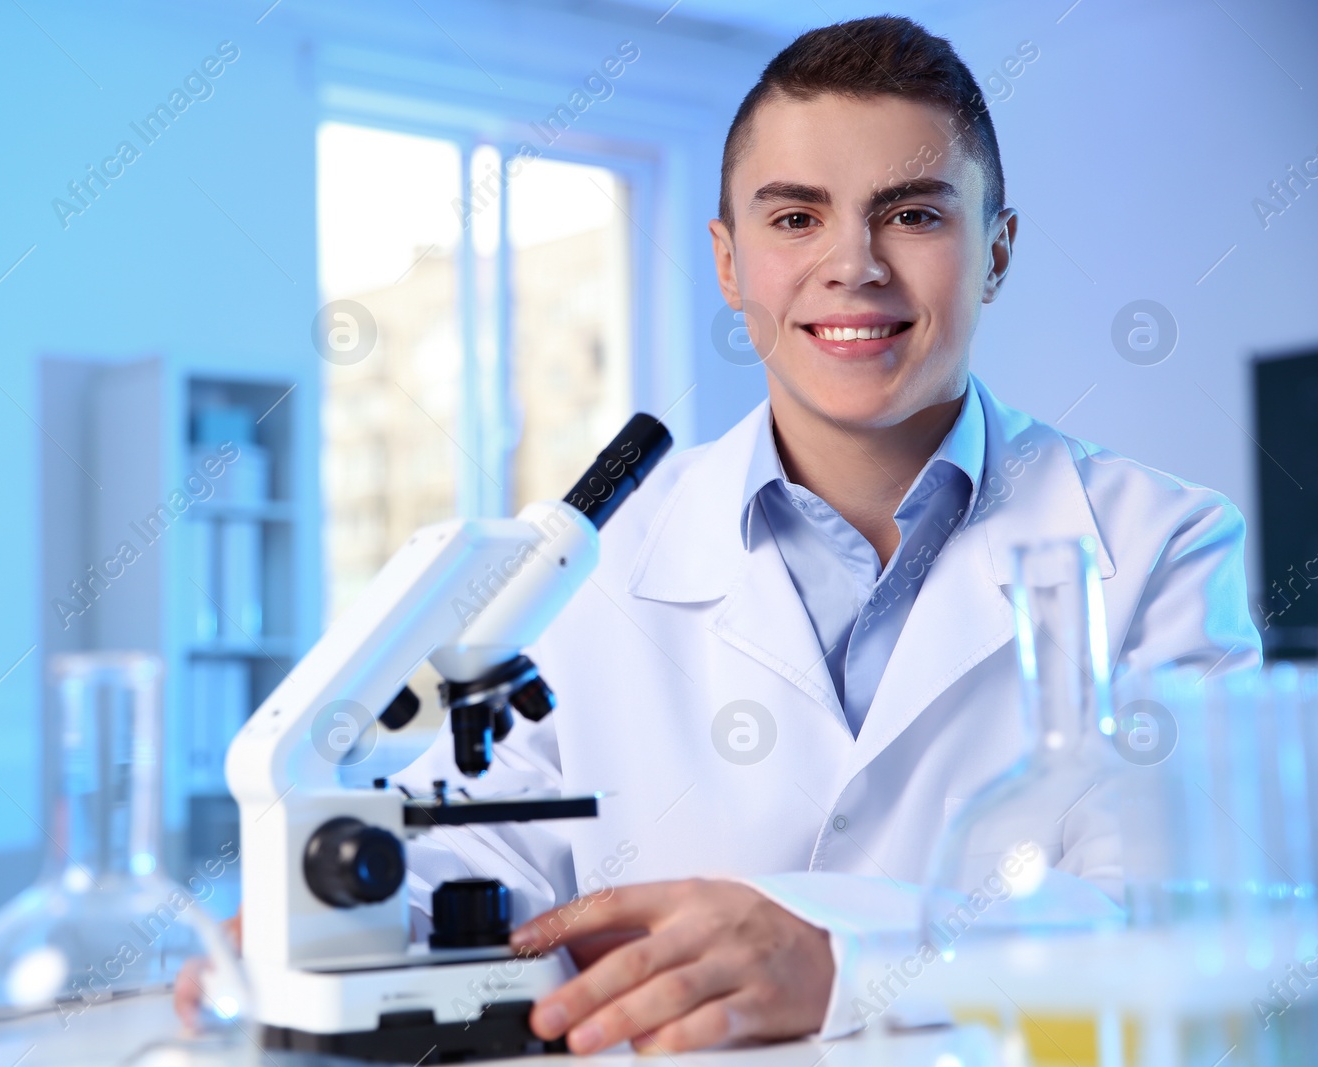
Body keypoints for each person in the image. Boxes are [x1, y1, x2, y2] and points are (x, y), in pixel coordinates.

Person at [187, 13, 1261, 1053]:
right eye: (795, 218)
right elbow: (479, 847)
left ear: (996, 251)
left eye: (915, 215)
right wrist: (339, 926)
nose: (854, 265)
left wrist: (844, 956)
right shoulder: (593, 566)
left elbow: (1187, 911)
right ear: (729, 262)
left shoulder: (1159, 541)